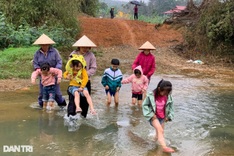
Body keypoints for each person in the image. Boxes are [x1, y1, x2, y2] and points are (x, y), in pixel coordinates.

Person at [32, 33, 67, 108]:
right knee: (42, 93)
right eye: (42, 44)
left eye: (46, 44)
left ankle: (63, 106)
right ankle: (41, 108)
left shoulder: (54, 52)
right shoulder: (37, 54)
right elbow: (35, 64)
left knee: (57, 93)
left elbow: (59, 62)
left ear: (48, 44)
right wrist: (39, 72)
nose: (44, 46)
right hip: (43, 76)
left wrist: (56, 71)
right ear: (40, 45)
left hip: (53, 75)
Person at [142, 79, 175, 153]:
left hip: (162, 118)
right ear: (159, 89)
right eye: (164, 92)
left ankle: (152, 144)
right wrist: (151, 114)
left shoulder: (168, 97)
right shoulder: (151, 95)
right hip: (154, 117)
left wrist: (169, 117)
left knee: (159, 134)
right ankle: (164, 147)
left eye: (167, 92)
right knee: (160, 130)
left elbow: (171, 108)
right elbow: (145, 105)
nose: (165, 94)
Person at [68, 35, 97, 118]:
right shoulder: (73, 54)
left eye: (87, 47)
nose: (85, 48)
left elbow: (93, 68)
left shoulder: (91, 56)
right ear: (79, 46)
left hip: (86, 81)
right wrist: (73, 74)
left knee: (85, 101)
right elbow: (69, 66)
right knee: (72, 99)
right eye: (83, 46)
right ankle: (71, 116)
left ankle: (83, 117)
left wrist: (84, 74)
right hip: (74, 82)